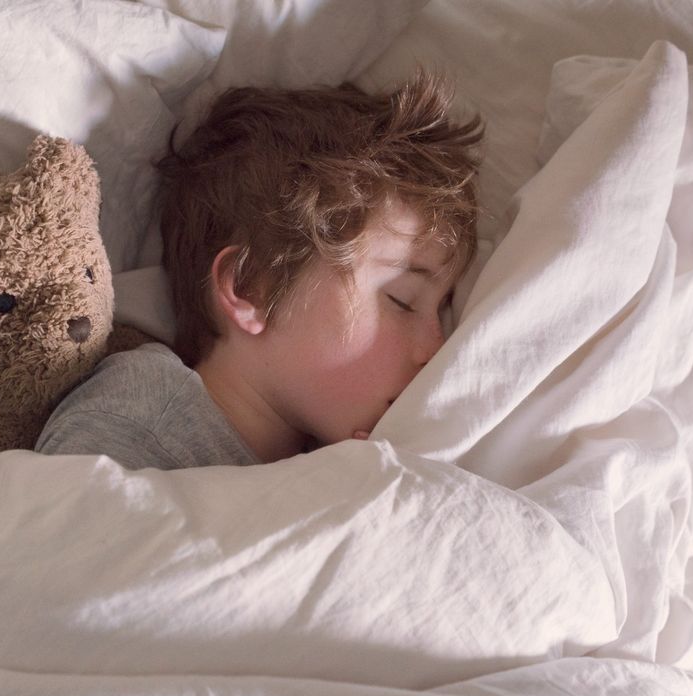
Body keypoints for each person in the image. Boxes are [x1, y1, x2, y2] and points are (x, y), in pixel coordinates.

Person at [35, 69, 483, 469]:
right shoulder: (139, 420)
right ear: (255, 287)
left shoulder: (318, 462)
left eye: (441, 309)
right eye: (402, 300)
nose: (436, 349)